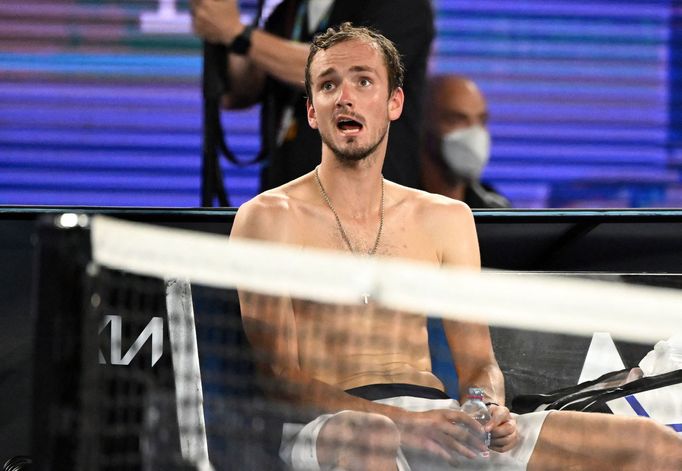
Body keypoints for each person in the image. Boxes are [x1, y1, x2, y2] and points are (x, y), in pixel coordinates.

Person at [230, 23, 682, 470]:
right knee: (373, 437)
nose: (344, 96)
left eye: (363, 81)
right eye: (328, 85)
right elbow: (279, 380)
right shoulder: (269, 218)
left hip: (437, 419)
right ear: (312, 111)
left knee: (650, 444)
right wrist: (405, 425)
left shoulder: (446, 218)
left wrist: (484, 409)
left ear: (394, 103)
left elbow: (479, 364)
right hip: (331, 425)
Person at [191, 0, 433, 192]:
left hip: (370, 200)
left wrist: (238, 34)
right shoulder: (290, 10)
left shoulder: (401, 5)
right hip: (287, 190)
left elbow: (341, 69)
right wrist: (222, 29)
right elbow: (239, 93)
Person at [421, 74, 510, 209]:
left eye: (482, 120)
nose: (474, 133)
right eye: (457, 120)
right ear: (423, 124)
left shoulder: (495, 209)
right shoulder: (392, 207)